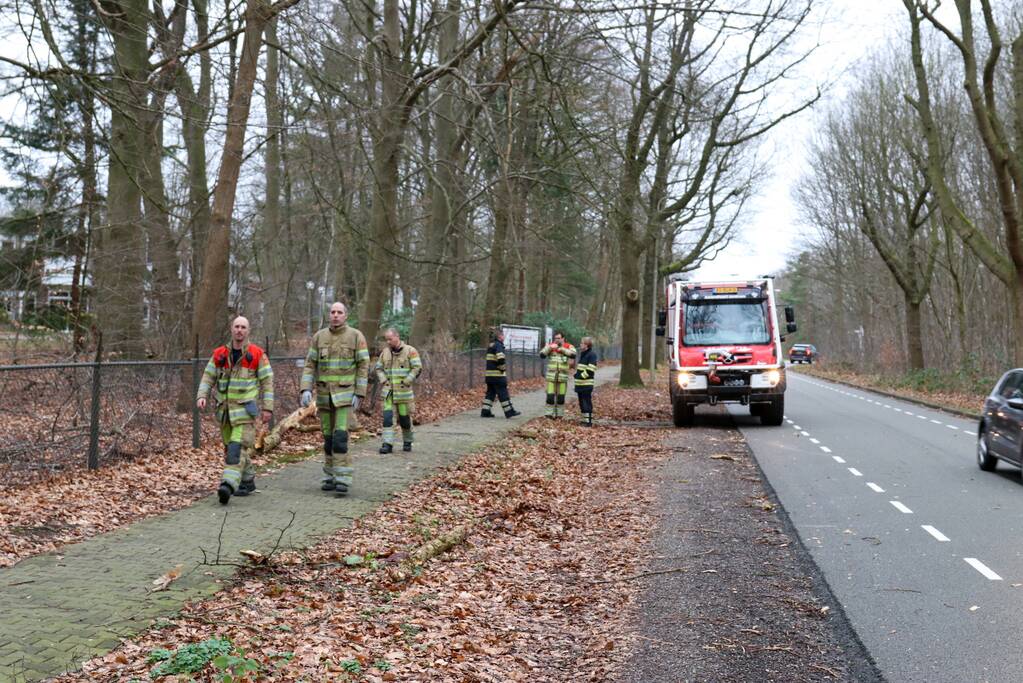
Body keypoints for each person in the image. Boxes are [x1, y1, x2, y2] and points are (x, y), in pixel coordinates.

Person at [196, 316, 274, 505]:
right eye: (237, 326)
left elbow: (267, 382)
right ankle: (247, 481)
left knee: (235, 450)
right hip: (224, 413)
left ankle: (228, 485)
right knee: (231, 449)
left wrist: (268, 408)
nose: (239, 330)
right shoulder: (220, 354)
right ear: (231, 329)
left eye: (243, 327)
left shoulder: (257, 354)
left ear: (248, 331)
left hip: (245, 414)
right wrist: (201, 395)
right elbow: (208, 376)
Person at [300, 302, 370, 495]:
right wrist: (305, 389)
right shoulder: (319, 337)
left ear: (345, 315)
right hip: (324, 397)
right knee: (328, 438)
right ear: (329, 315)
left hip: (345, 397)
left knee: (340, 437)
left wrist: (360, 392)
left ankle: (343, 478)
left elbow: (364, 365)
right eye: (333, 312)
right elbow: (309, 365)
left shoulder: (356, 336)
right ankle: (329, 476)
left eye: (340, 312)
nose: (336, 315)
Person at [375, 328, 422, 453]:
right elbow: (378, 368)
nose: (388, 342)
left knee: (404, 419)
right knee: (388, 418)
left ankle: (407, 441)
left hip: (404, 393)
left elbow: (417, 367)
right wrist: (383, 379)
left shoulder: (410, 351)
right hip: (389, 392)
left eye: (390, 339)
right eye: (387, 340)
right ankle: (387, 444)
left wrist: (408, 380)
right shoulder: (385, 353)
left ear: (397, 336)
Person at [481, 328, 521, 418]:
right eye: (503, 335)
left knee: (490, 393)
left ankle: (485, 411)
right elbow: (501, 358)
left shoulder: (491, 345)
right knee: (503, 393)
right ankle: (509, 412)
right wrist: (502, 369)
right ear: (499, 336)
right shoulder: (498, 345)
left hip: (489, 376)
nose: (504, 337)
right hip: (497, 376)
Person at [539, 331, 576, 419]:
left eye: (558, 338)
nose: (557, 340)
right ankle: (548, 414)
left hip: (562, 378)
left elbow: (573, 354)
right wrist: (550, 348)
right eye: (555, 338)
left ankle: (559, 415)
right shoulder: (551, 346)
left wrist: (562, 349)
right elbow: (542, 355)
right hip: (551, 377)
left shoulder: (569, 346)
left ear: (563, 338)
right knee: (550, 397)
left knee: (561, 398)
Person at [574, 336, 598, 426]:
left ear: (586, 345)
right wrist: (577, 375)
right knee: (581, 402)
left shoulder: (591, 355)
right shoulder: (583, 354)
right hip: (580, 384)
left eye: (582, 343)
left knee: (586, 402)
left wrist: (580, 376)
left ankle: (588, 422)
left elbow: (591, 369)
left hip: (586, 384)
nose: (580, 344)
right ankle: (584, 420)